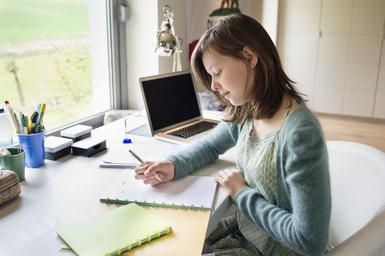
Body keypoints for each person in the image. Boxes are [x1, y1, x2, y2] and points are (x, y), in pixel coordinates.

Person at [135, 13, 331, 256]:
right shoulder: (250, 109)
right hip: (247, 234)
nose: (214, 86)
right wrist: (172, 165)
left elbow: (309, 241)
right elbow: (209, 146)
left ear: (249, 57)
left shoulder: (300, 133)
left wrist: (242, 193)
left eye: (217, 72)